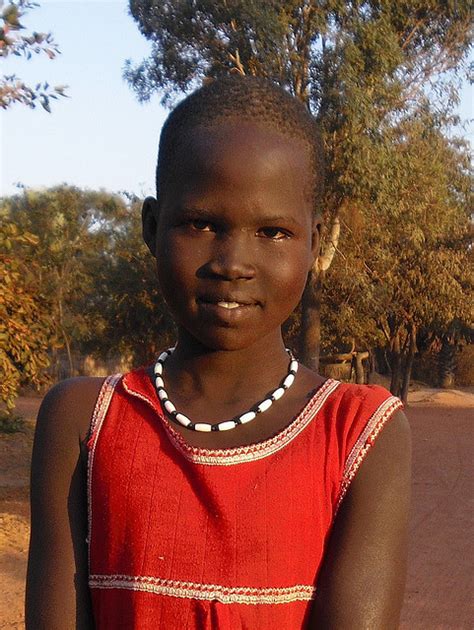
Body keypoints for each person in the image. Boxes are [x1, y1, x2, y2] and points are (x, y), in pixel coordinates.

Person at [25, 76, 411, 629]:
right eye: (200, 224)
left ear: (315, 243)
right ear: (153, 227)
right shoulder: (84, 421)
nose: (232, 262)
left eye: (274, 232)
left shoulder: (358, 433)